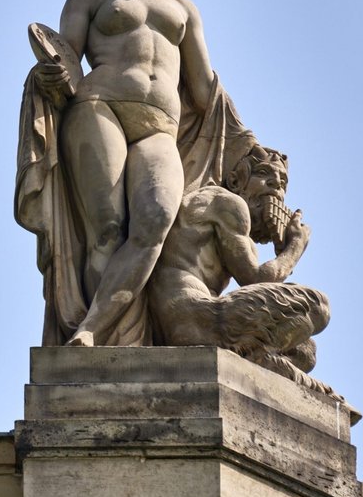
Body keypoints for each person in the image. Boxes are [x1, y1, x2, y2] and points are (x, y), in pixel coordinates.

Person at [16, 0, 251, 346]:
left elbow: (205, 92)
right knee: (106, 226)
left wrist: (245, 143)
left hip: (160, 125)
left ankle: (99, 331)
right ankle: (93, 338)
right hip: (98, 107)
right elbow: (65, 62)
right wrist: (46, 77)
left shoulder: (183, 8)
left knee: (157, 218)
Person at [146, 145, 342, 401]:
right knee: (318, 305)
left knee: (305, 350)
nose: (276, 187)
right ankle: (259, 359)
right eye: (264, 174)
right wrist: (295, 248)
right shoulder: (227, 203)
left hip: (192, 320)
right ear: (236, 181)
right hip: (194, 316)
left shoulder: (234, 224)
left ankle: (261, 359)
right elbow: (256, 279)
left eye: (282, 183)